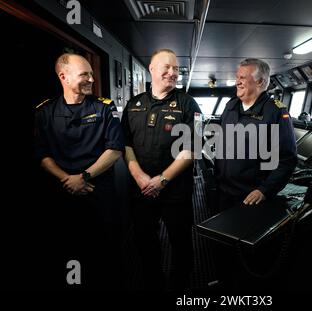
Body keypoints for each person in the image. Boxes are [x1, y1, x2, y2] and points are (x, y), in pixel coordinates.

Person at [34, 53, 125, 289]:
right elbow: (42, 155)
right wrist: (68, 180)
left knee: (105, 251)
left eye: (91, 74)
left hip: (99, 192)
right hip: (64, 193)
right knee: (68, 249)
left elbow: (114, 150)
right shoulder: (45, 111)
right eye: (85, 74)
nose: (91, 79)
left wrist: (83, 177)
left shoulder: (104, 107)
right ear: (64, 76)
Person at [213, 58, 297, 289]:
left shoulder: (275, 113)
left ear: (260, 82)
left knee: (249, 255)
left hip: (252, 198)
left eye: (243, 77)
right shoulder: (230, 107)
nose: (237, 81)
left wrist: (264, 189)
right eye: (237, 76)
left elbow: (287, 159)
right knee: (224, 247)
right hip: (225, 193)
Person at [121, 49, 201, 291]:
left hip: (176, 191)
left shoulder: (188, 104)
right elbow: (125, 143)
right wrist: (139, 176)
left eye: (176, 69)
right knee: (145, 242)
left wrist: (162, 180)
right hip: (141, 190)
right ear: (152, 70)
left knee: (181, 244)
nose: (172, 73)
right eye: (166, 67)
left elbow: (193, 147)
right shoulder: (134, 105)